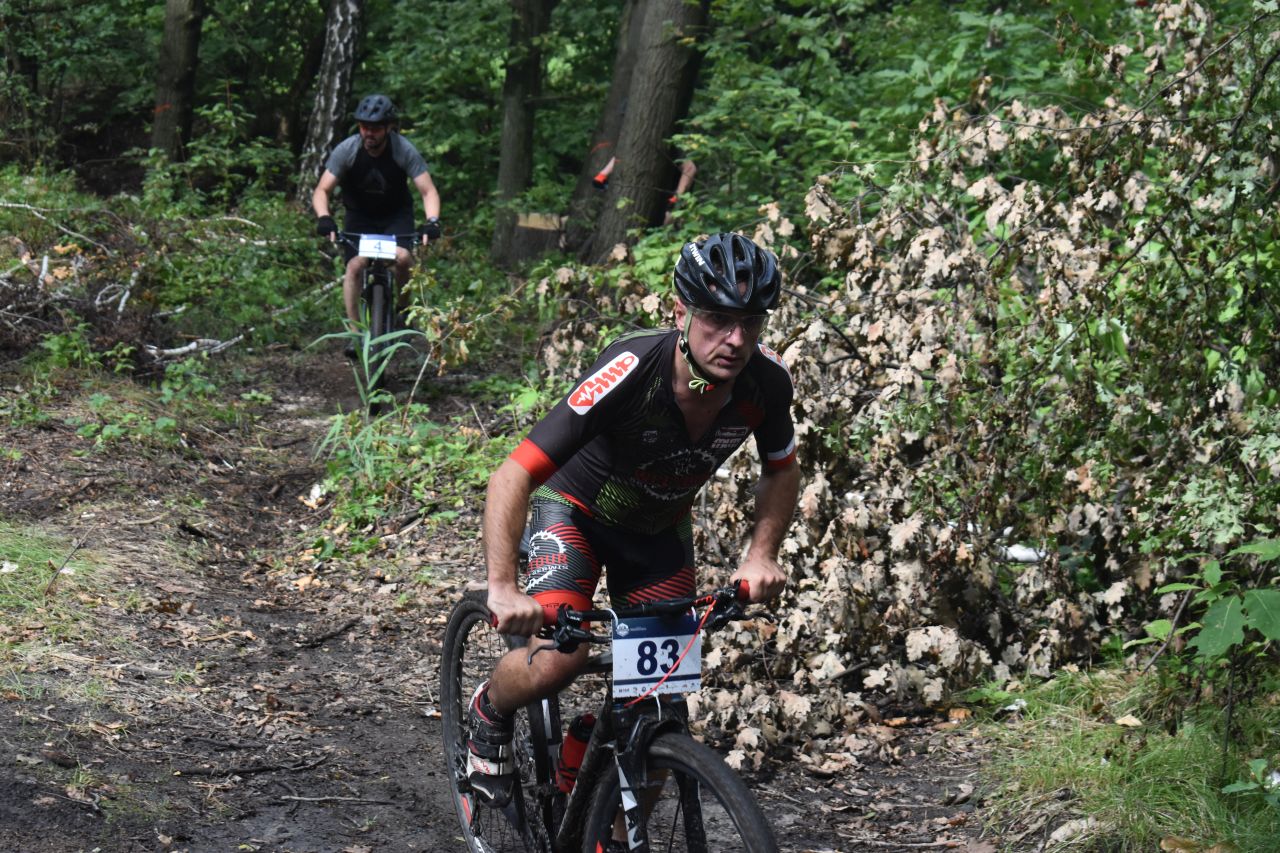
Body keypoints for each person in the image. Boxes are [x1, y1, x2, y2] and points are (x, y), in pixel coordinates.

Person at [467, 233, 801, 810]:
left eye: (750, 322)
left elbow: (782, 469)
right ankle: (488, 709)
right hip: (575, 514)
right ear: (680, 312)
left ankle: (605, 824)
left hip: (657, 534)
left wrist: (761, 555)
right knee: (560, 660)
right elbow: (512, 475)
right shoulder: (630, 368)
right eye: (717, 319)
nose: (735, 339)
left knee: (660, 706)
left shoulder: (766, 382)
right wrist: (502, 587)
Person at [311, 94, 441, 358]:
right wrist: (324, 217)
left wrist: (432, 222)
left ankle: (402, 312)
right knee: (354, 266)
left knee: (403, 259)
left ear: (388, 127)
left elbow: (428, 191)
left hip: (395, 216)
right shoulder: (347, 150)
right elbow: (322, 190)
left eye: (375, 128)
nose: (368, 133)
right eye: (364, 127)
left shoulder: (403, 149)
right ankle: (355, 333)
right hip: (360, 216)